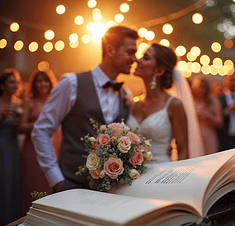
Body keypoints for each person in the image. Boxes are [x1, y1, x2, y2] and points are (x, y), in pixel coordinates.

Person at [32, 26, 139, 192]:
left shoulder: (125, 94)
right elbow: (41, 131)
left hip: (110, 190)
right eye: (130, 52)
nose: (135, 59)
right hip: (70, 185)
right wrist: (57, 180)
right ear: (110, 50)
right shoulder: (71, 83)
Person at [126, 43, 189, 162]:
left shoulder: (173, 105)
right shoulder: (132, 104)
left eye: (146, 58)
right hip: (132, 175)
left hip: (162, 172)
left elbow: (184, 151)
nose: (138, 60)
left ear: (159, 71)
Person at [18, 68, 60, 214]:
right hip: (31, 150)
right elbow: (21, 127)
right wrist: (41, 125)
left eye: (45, 80)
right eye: (39, 81)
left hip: (50, 148)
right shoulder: (29, 101)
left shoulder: (54, 102)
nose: (43, 84)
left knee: (47, 186)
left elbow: (58, 129)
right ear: (34, 84)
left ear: (50, 83)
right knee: (31, 187)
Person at [0, 68, 23, 226]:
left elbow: (22, 129)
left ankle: (12, 219)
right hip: (1, 146)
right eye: (11, 82)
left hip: (14, 147)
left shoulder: (19, 104)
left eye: (17, 82)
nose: (15, 85)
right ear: (3, 85)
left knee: (13, 182)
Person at [191, 75, 223, 155]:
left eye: (202, 87)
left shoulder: (213, 101)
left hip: (209, 136)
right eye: (197, 87)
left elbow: (220, 123)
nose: (200, 90)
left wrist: (208, 116)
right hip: (194, 137)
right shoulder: (190, 101)